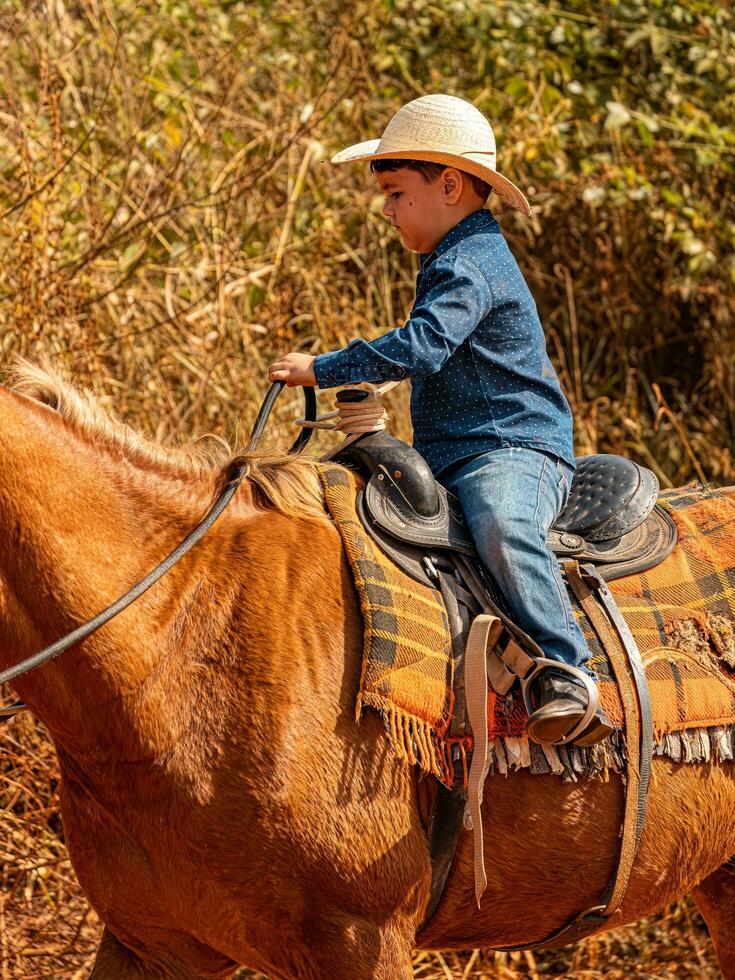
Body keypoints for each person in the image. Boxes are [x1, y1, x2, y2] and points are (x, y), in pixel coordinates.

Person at [267, 94, 612, 746]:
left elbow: (423, 346)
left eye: (396, 194)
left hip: (510, 447)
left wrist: (326, 367)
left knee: (502, 523)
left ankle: (566, 669)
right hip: (453, 449)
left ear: (449, 185)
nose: (388, 211)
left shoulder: (469, 262)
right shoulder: (447, 259)